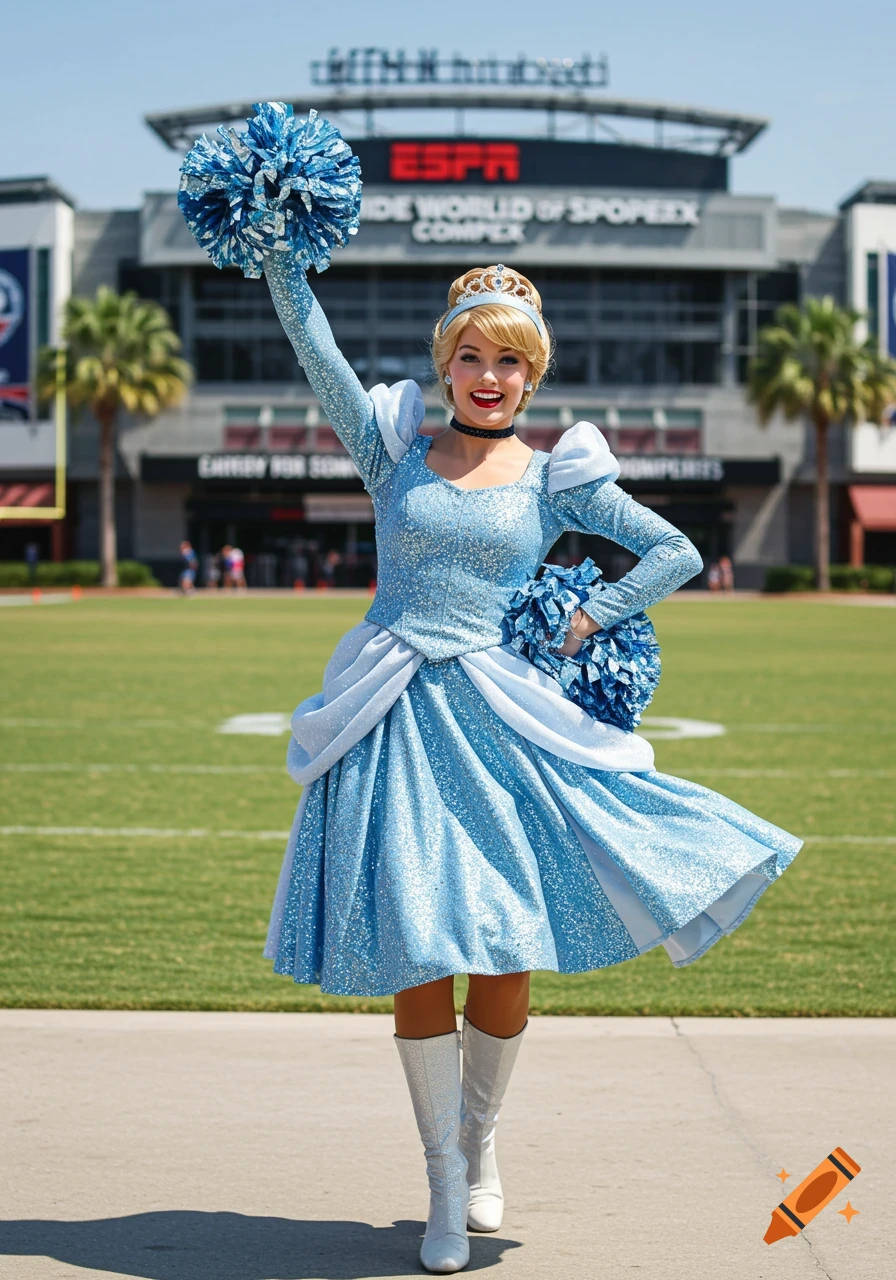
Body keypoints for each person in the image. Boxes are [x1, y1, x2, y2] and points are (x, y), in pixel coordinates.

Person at [261, 259, 803, 1275]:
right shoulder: (393, 457)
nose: (486, 375)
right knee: (416, 944)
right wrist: (282, 264)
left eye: (507, 360)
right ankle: (435, 1183)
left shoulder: (557, 477)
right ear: (445, 363)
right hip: (393, 719)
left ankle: (478, 1138)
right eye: (468, 355)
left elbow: (672, 551)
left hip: (503, 725)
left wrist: (589, 614)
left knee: (502, 945)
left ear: (530, 376)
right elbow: (316, 353)